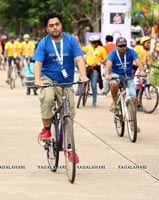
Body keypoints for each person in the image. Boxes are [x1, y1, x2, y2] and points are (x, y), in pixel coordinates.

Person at [33, 11, 89, 163]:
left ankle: (69, 148)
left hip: (66, 82)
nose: (55, 28)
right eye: (51, 26)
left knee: (69, 115)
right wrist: (37, 79)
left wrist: (83, 76)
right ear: (47, 28)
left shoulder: (70, 41)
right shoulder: (44, 43)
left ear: (61, 25)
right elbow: (37, 63)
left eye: (57, 24)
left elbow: (79, 59)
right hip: (48, 79)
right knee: (48, 98)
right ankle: (46, 130)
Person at [105, 37, 146, 132]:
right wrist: (107, 74)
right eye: (120, 46)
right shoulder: (113, 53)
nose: (123, 48)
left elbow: (139, 62)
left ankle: (133, 122)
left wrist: (142, 71)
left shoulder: (131, 52)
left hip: (128, 76)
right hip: (116, 74)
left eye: (124, 46)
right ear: (116, 46)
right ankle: (115, 103)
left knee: (134, 99)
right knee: (114, 84)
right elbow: (108, 64)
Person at [82, 35, 107, 107]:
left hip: (95, 69)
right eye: (91, 42)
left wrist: (101, 62)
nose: (92, 44)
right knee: (80, 79)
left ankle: (94, 101)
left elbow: (106, 58)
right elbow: (82, 50)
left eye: (93, 43)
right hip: (87, 67)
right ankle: (81, 91)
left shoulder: (102, 49)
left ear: (97, 43)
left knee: (93, 85)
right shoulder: (89, 47)